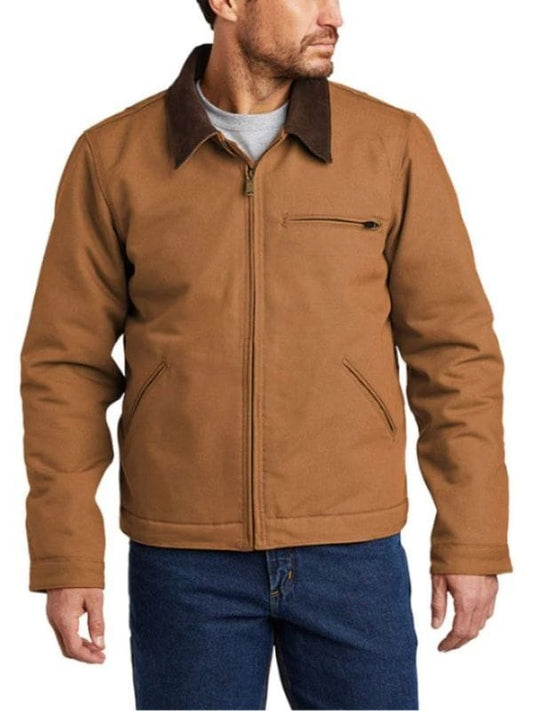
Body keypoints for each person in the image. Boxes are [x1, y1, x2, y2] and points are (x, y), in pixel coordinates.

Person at [19, 0, 513, 708]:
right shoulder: (114, 157)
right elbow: (64, 368)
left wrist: (471, 538)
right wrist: (66, 553)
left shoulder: (391, 144)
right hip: (184, 562)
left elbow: (455, 355)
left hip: (353, 551)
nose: (334, 15)